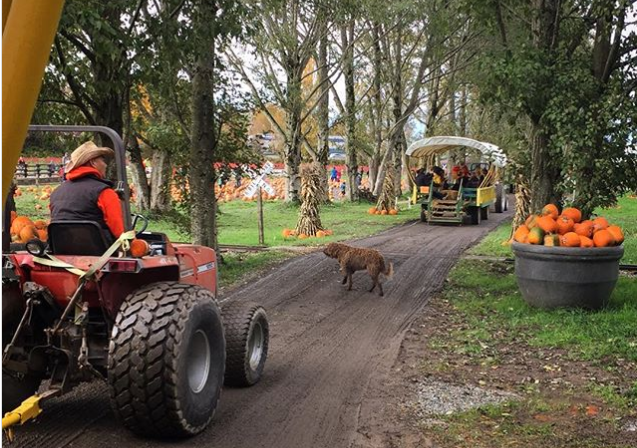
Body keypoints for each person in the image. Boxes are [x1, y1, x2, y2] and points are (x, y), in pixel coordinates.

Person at [50, 141, 124, 244]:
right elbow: (120, 232)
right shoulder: (104, 192)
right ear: (93, 162)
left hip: (61, 250)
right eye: (102, 160)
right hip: (100, 253)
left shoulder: (57, 192)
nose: (105, 165)